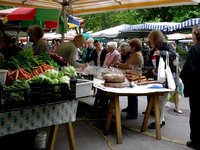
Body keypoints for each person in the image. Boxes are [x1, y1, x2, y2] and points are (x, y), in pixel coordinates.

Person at [146, 30, 176, 129]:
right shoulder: (154, 48)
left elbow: (173, 55)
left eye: (150, 38)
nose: (149, 41)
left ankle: (159, 121)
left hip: (164, 78)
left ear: (155, 38)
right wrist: (152, 69)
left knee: (160, 101)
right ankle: (160, 120)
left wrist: (161, 53)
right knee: (159, 101)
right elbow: (151, 63)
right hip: (157, 78)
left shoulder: (165, 46)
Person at [180, 26, 200, 150]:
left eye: (192, 35)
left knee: (197, 116)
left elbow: (188, 71)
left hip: (197, 89)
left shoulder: (195, 49)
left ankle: (196, 141)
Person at [113, 38, 144, 119]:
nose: (129, 48)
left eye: (130, 46)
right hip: (132, 76)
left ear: (134, 47)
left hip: (135, 77)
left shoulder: (137, 55)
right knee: (130, 95)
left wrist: (118, 64)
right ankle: (130, 108)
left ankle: (133, 113)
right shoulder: (134, 54)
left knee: (133, 95)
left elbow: (128, 66)